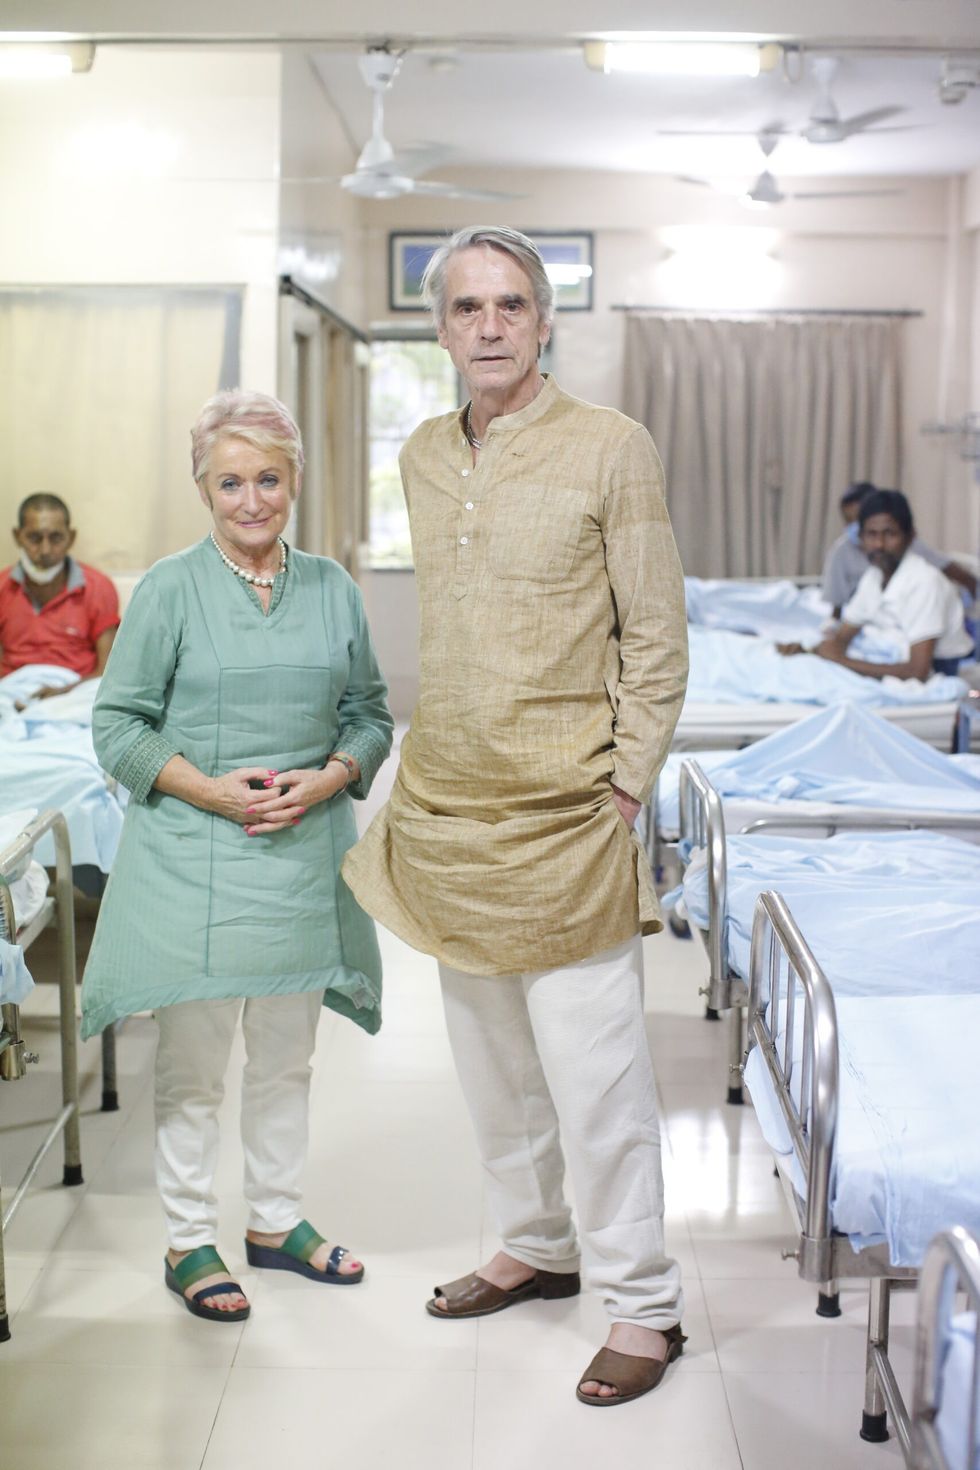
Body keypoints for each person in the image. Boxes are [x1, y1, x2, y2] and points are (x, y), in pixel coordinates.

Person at [342, 227, 689, 1406]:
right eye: (465, 307)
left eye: (509, 305)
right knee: (493, 1073)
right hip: (450, 811)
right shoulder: (421, 454)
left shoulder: (611, 447)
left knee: (596, 1086)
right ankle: (535, 1245)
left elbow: (654, 637)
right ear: (438, 327)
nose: (487, 325)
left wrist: (623, 785)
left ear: (543, 322)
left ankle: (641, 1306)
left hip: (567, 819)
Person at [81, 390, 393, 1322]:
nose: (251, 500)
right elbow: (118, 726)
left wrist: (332, 777)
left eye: (268, 479)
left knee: (286, 1061)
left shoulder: (333, 588)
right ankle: (188, 1238)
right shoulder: (171, 589)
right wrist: (212, 791)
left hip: (301, 859)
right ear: (203, 488)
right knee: (193, 1068)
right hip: (193, 857)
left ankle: (276, 1222)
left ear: (294, 480)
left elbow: (370, 715)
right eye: (230, 483)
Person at [789, 488, 973, 680]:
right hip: (894, 662)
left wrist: (841, 661)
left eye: (890, 534)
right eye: (871, 534)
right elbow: (842, 637)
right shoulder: (873, 577)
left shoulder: (925, 582)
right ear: (861, 538)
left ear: (910, 536)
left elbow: (918, 672)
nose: (879, 544)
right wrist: (810, 651)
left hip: (939, 673)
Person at [0, 494, 120, 697]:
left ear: (70, 538)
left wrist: (61, 693)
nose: (45, 550)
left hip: (74, 695)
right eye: (34, 538)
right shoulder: (3, 587)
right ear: (17, 536)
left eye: (56, 538)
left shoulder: (98, 587)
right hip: (11, 693)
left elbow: (108, 672)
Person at [822, 482, 976, 618]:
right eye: (849, 521)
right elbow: (842, 614)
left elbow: (956, 573)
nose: (879, 544)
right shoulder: (869, 576)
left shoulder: (924, 579)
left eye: (888, 533)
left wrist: (970, 601)